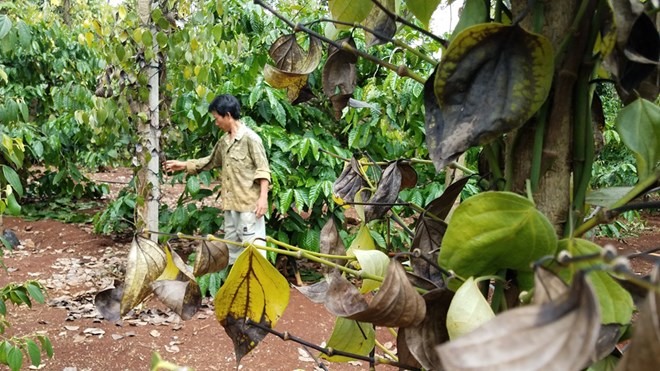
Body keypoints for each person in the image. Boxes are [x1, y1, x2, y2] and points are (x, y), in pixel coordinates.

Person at [163, 94, 271, 264]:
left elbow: (263, 170)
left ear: (227, 115)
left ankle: (259, 289)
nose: (216, 122)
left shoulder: (251, 139)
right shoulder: (224, 141)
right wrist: (184, 165)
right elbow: (210, 161)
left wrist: (263, 199)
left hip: (249, 207)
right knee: (233, 252)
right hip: (231, 206)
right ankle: (236, 289)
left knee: (253, 253)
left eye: (217, 118)